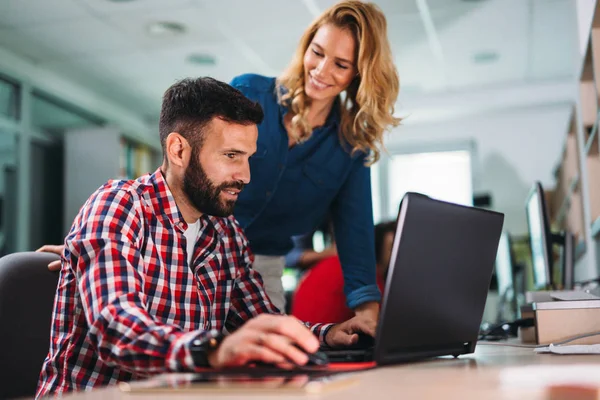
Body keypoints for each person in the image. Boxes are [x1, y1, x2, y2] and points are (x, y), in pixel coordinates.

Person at [39, 0, 400, 331]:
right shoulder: (252, 95)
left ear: (359, 73)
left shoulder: (350, 144)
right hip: (187, 247)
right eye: (317, 52)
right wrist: (104, 241)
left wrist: (367, 310)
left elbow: (355, 234)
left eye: (340, 64)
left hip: (256, 265)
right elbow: (191, 161)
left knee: (263, 365)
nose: (321, 70)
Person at [36, 77, 371, 398]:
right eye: (231, 156)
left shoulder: (225, 233)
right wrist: (213, 350)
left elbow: (262, 319)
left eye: (248, 158)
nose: (246, 175)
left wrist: (326, 334)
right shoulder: (118, 206)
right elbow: (116, 328)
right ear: (179, 151)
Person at [291, 221, 396, 323]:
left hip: (301, 334)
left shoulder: (332, 263)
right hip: (322, 337)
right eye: (392, 248)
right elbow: (385, 322)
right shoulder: (366, 275)